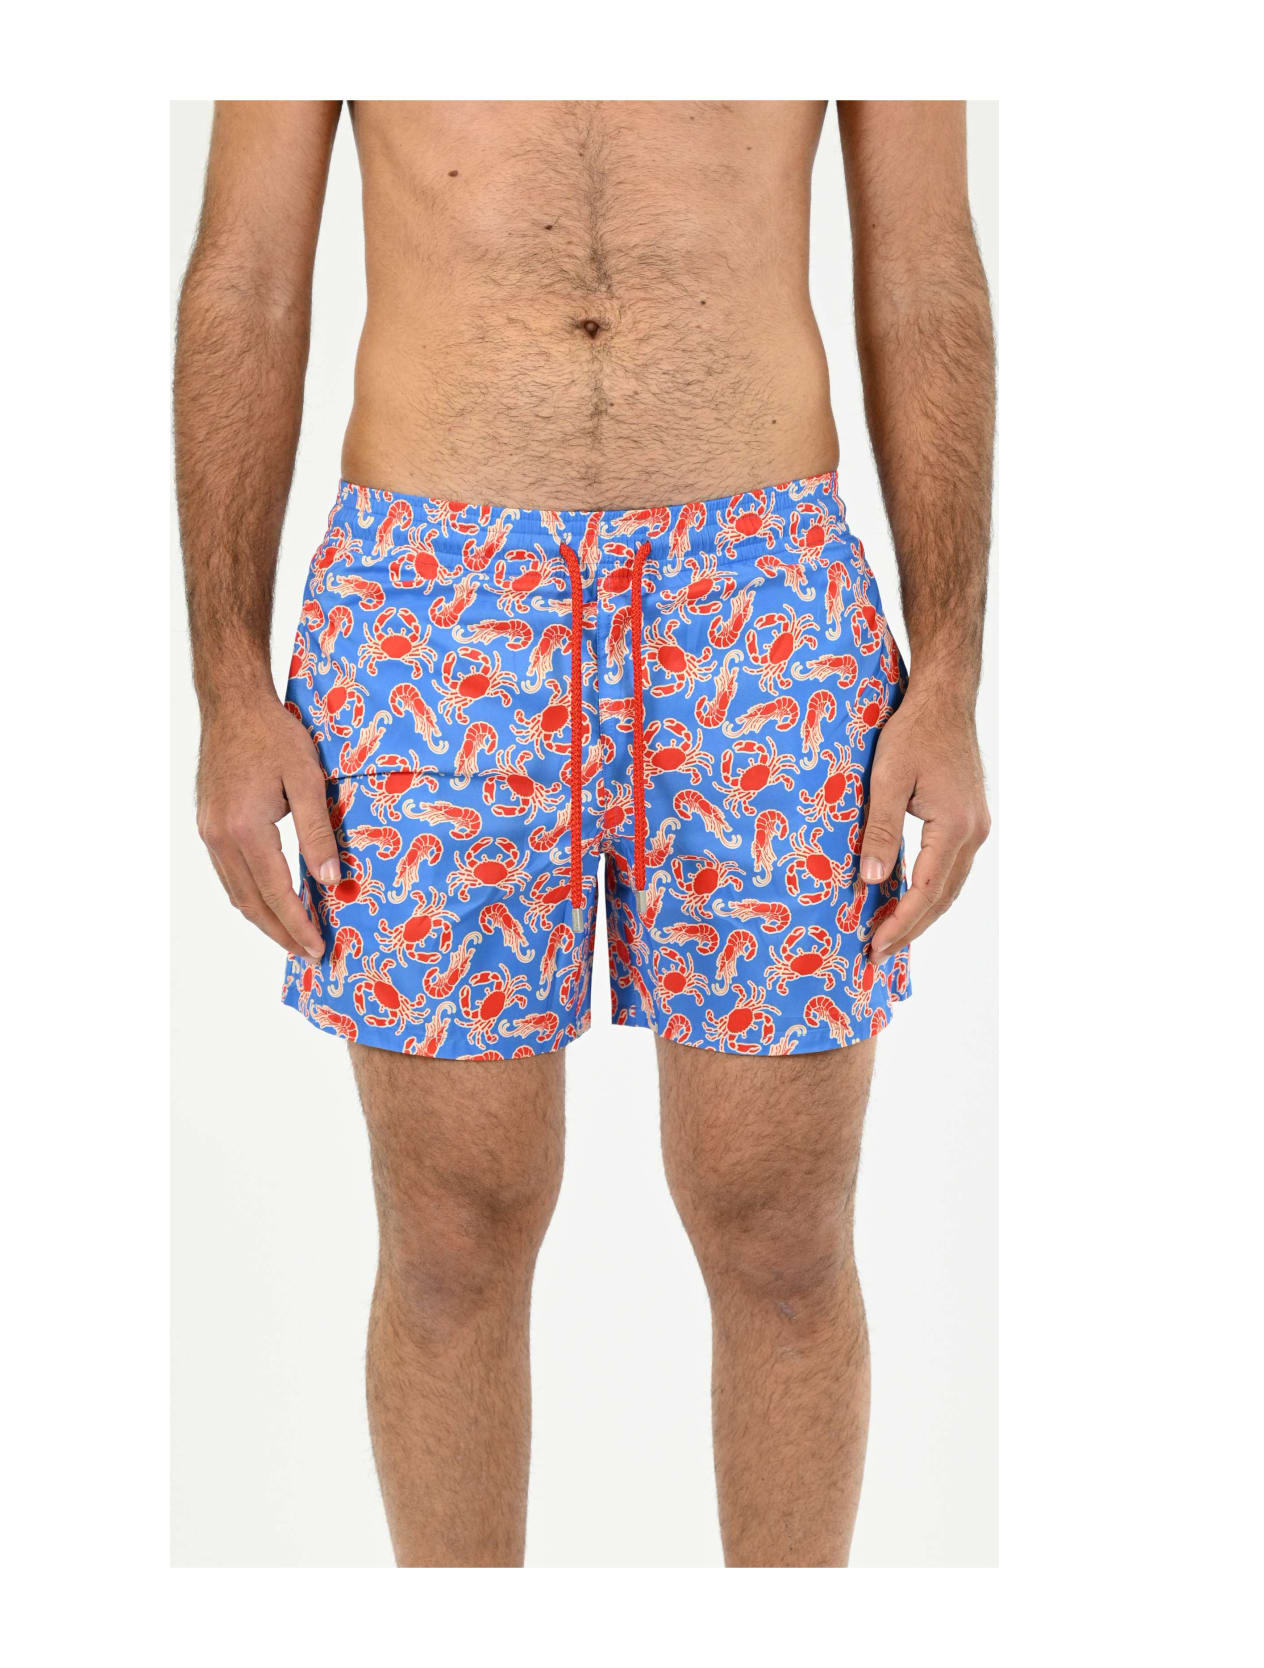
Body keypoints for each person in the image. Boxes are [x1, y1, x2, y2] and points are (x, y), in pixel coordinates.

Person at [174, 99, 993, 1567]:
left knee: (781, 1230)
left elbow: (927, 272)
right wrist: (228, 682)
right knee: (453, 1230)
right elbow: (244, 277)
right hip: (435, 596)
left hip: (760, 593)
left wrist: (951, 674)